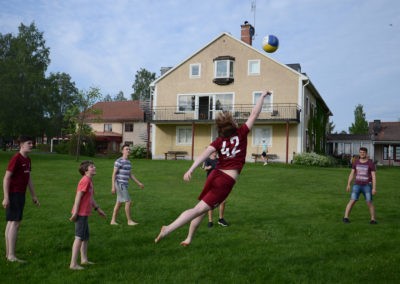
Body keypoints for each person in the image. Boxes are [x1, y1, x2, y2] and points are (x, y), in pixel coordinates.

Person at [155, 90, 272, 246]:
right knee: (198, 210)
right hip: (224, 182)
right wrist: (262, 96)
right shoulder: (242, 132)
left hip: (214, 175)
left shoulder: (218, 141)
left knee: (201, 209)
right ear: (233, 125)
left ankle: (189, 238)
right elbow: (255, 113)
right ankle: (168, 229)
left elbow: (205, 154)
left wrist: (191, 169)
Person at [2, 136, 40, 262]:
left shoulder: (28, 160)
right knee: (14, 223)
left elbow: (28, 178)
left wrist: (34, 195)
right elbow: (6, 178)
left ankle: (9, 254)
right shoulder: (16, 158)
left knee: (12, 222)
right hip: (14, 194)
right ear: (22, 145)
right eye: (29, 143)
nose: (31, 145)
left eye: (32, 143)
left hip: (20, 194)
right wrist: (6, 197)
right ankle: (11, 255)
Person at [69, 160, 106, 270]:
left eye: (94, 166)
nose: (94, 167)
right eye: (91, 167)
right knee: (79, 237)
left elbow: (90, 198)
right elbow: (78, 196)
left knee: (85, 237)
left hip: (84, 213)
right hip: (80, 213)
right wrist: (75, 212)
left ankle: (84, 259)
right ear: (86, 171)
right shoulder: (85, 180)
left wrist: (98, 209)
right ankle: (73, 264)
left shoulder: (89, 180)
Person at [110, 144, 144, 226]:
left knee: (119, 203)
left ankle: (113, 221)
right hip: (120, 184)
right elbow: (114, 174)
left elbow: (130, 175)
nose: (128, 150)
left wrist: (139, 183)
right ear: (122, 151)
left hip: (124, 185)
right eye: (126, 149)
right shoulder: (118, 161)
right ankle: (129, 221)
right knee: (128, 201)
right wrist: (113, 187)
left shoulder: (128, 162)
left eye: (129, 149)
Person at [343, 147, 377, 224]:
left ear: (366, 153)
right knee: (352, 200)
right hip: (357, 185)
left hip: (367, 186)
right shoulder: (356, 162)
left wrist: (374, 188)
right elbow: (352, 174)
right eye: (361, 152)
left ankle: (373, 219)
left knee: (369, 202)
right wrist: (348, 184)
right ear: (359, 153)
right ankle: (345, 217)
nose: (362, 153)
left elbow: (374, 176)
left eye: (363, 152)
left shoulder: (370, 163)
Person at [203, 151, 228, 228]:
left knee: (223, 201)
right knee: (210, 202)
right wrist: (208, 167)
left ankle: (221, 219)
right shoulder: (207, 160)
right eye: (214, 152)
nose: (215, 153)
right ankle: (210, 221)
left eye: (216, 152)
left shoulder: (218, 160)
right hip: (210, 183)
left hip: (219, 182)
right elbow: (204, 168)